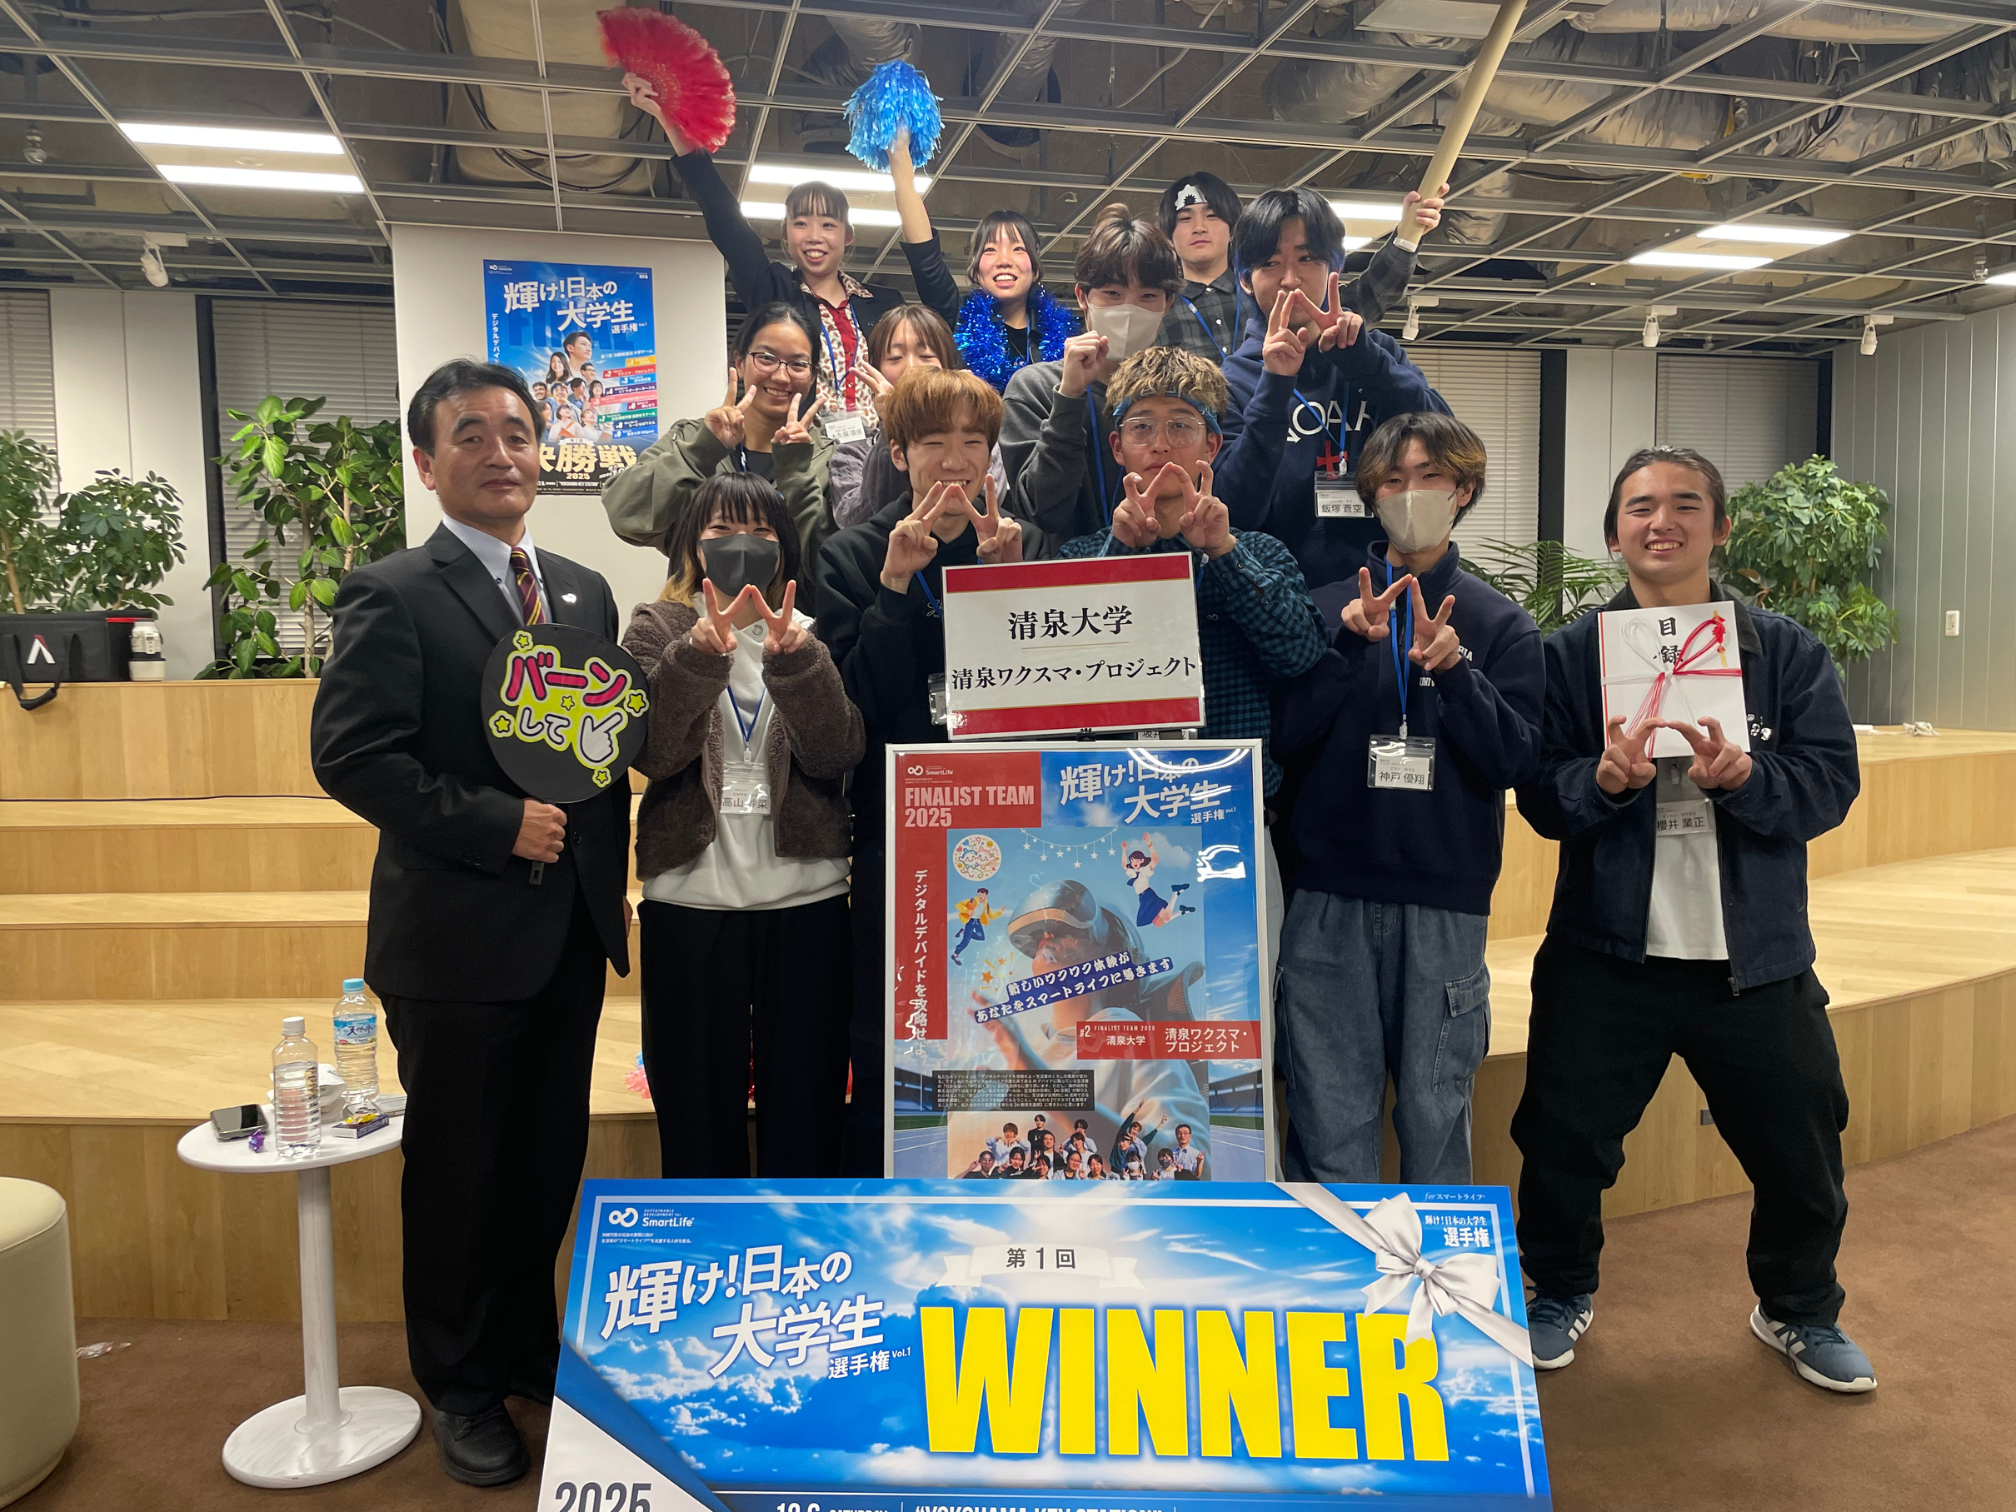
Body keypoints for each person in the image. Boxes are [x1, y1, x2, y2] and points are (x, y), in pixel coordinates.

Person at [309, 360, 631, 1487]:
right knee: (459, 1170)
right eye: (471, 435)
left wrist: (603, 876)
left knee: (544, 1159)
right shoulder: (393, 591)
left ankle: (525, 1344)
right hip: (454, 942)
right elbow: (352, 757)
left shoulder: (583, 591)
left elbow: (596, 755)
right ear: (426, 461)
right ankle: (456, 1381)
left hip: (567, 934)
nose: (502, 453)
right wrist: (499, 826)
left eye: (518, 432)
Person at [1512, 445, 1870, 1392]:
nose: (1661, 521)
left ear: (1719, 527)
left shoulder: (1784, 652)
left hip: (1755, 958)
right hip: (1605, 951)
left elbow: (1831, 784)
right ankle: (1558, 1289)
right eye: (1640, 507)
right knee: (1562, 1141)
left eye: (1684, 504)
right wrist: (1601, 780)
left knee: (1801, 1148)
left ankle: (1798, 1307)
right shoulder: (1568, 657)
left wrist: (1747, 778)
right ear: (1613, 533)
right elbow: (1540, 795)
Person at [1271, 412, 1543, 1185]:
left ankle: (1439, 1260)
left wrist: (1457, 675)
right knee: (1328, 1112)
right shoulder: (1324, 606)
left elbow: (1516, 760)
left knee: (1436, 1111)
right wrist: (1343, 647)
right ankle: (1338, 1264)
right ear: (1370, 495)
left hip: (1444, 900)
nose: (1410, 492)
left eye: (1430, 477)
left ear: (1464, 491)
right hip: (1326, 896)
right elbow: (1284, 737)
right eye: (1392, 480)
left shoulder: (1500, 623)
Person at [816, 366, 1032, 1173]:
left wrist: (1008, 586)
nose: (955, 459)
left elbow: (1047, 702)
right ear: (900, 453)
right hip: (896, 836)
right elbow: (855, 710)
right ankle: (884, 1190)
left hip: (1011, 832)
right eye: (934, 441)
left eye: (973, 442)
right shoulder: (851, 554)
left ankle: (997, 1172)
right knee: (894, 1026)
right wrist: (896, 585)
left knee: (999, 1015)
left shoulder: (1014, 545)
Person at [621, 472, 861, 1179]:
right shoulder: (657, 627)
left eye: (760, 532)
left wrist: (799, 664)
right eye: (722, 530)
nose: (741, 546)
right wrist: (697, 659)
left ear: (784, 549)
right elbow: (651, 753)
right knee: (696, 1117)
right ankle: (706, 1245)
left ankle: (803, 1247)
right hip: (690, 900)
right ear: (694, 546)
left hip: (807, 899)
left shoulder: (812, 631)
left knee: (807, 1116)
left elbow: (838, 752)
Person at [1058, 343, 1327, 964]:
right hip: (1106, 829)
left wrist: (1223, 552)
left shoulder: (1260, 551)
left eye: (1181, 426)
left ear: (1211, 444)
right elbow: (1063, 689)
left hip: (1231, 823)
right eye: (1141, 427)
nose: (1160, 445)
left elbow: (1299, 654)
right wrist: (1121, 559)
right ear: (1117, 446)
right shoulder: (1081, 559)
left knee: (1239, 1001)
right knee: (1121, 995)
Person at [626, 77, 958, 411]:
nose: (814, 235)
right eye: (800, 224)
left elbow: (937, 291)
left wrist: (900, 163)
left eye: (828, 225)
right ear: (785, 235)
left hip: (885, 437)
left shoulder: (884, 304)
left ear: (848, 235)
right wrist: (672, 123)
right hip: (801, 440)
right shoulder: (774, 292)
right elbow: (725, 222)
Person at [1213, 188, 1449, 588]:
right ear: (1245, 280)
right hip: (1274, 601)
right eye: (1270, 263)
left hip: (1385, 591)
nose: (1290, 279)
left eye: (1307, 259)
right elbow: (1232, 510)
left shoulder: (1375, 354)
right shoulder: (1231, 379)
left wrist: (1365, 364)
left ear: (1334, 267)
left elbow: (1445, 446)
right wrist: (1274, 385)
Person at [603, 302, 835, 603]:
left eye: (798, 364)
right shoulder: (690, 438)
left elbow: (830, 570)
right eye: (766, 358)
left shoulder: (830, 459)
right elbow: (626, 516)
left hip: (793, 624)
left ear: (813, 375)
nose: (781, 376)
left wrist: (797, 475)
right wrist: (702, 452)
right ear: (739, 362)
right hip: (697, 622)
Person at [1000, 203, 1183, 543]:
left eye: (1147, 296)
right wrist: (1068, 398)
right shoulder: (1035, 388)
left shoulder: (1181, 392)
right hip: (1070, 571)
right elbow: (1041, 511)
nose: (1129, 309)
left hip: (1167, 567)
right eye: (1112, 294)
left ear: (1167, 304)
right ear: (1083, 297)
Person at [832, 304, 1009, 530]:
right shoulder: (851, 451)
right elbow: (856, 522)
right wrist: (892, 427)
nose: (912, 368)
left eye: (926, 356)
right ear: (876, 370)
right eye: (895, 358)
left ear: (948, 368)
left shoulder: (979, 438)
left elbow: (984, 502)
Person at [954, 209, 1080, 391]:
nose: (1004, 260)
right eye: (990, 250)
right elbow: (927, 264)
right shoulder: (957, 326)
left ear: (1034, 267)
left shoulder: (1066, 340)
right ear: (976, 269)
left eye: (1018, 249)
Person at [1123, 834, 1195, 928]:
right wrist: (1124, 850)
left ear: (1142, 860)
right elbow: (1124, 864)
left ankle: (1175, 892)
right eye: (1132, 861)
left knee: (1166, 916)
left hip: (1149, 896)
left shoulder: (1145, 870)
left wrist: (1149, 843)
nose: (1134, 863)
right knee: (1159, 923)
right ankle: (1182, 911)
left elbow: (1155, 859)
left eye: (1136, 860)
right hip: (1142, 899)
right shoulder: (1132, 873)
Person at [951, 886, 1005, 964]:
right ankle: (955, 954)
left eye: (982, 894)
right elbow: (958, 905)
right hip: (970, 921)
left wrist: (1000, 912)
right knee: (966, 941)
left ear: (986, 895)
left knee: (981, 937)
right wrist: (967, 911)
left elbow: (991, 916)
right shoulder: (971, 901)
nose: (980, 896)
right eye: (979, 894)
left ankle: (964, 932)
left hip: (978, 922)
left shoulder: (986, 905)